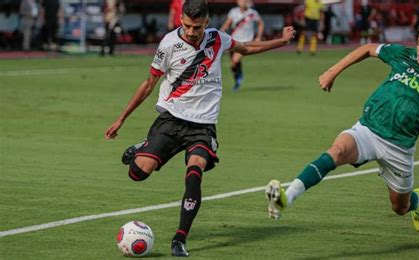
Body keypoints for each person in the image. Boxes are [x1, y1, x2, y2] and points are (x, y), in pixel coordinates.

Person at [104, 0, 295, 256]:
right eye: (186, 25)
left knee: (195, 173)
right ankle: (144, 146)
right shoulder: (169, 44)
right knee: (137, 174)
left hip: (203, 126)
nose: (191, 31)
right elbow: (149, 84)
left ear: (206, 22)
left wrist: (281, 42)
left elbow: (246, 47)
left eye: (196, 27)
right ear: (180, 19)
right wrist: (121, 119)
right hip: (171, 120)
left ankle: (180, 239)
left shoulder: (217, 38)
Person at [266, 14, 419, 233]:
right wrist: (332, 71)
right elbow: (367, 49)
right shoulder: (402, 55)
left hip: (399, 148)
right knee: (336, 151)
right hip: (368, 130)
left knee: (399, 207)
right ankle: (285, 199)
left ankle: (417, 202)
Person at [220, 0, 264, 91]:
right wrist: (221, 32)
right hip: (234, 40)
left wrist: (258, 37)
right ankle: (237, 78)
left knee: (235, 61)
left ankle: (239, 79)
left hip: (246, 42)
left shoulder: (252, 13)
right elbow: (227, 24)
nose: (243, 2)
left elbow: (261, 23)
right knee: (233, 64)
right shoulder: (233, 12)